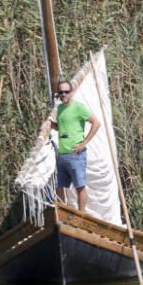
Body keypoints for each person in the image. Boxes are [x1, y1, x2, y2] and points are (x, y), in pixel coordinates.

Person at [46, 79, 100, 212]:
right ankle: (61, 214)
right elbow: (63, 128)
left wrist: (83, 143)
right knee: (59, 186)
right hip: (63, 154)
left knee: (79, 186)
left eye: (66, 91)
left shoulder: (79, 107)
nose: (63, 94)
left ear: (72, 92)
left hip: (76, 154)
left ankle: (81, 217)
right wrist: (52, 125)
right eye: (61, 92)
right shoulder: (60, 108)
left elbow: (96, 123)